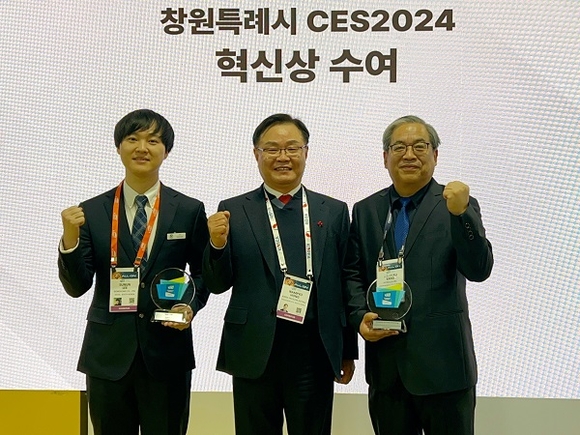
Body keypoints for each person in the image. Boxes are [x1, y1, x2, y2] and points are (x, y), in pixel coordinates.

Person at [202, 113, 358, 435]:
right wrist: (216, 245)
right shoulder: (233, 209)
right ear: (256, 154)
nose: (282, 157)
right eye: (272, 149)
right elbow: (217, 284)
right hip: (254, 349)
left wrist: (346, 350)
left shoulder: (333, 211)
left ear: (306, 152)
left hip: (314, 352)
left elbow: (345, 282)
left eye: (292, 148)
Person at [58, 109, 210, 435]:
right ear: (119, 147)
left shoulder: (189, 210)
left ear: (166, 151)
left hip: (167, 352)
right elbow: (77, 286)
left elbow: (203, 273)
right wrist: (70, 241)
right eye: (133, 139)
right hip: (108, 356)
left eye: (153, 141)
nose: (142, 148)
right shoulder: (92, 211)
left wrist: (190, 306)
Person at [345, 115, 493, 435]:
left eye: (420, 146)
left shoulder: (456, 205)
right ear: (385, 157)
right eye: (399, 147)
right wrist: (358, 316)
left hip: (445, 370)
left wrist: (461, 215)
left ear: (435, 155)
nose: (409, 155)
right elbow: (353, 274)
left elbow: (479, 270)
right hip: (387, 370)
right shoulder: (366, 210)